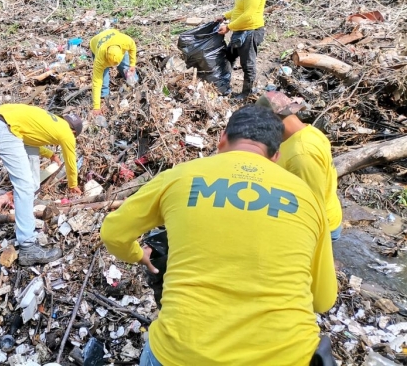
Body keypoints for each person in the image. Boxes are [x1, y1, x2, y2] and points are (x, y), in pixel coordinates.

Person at [101, 105, 337, 365]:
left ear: (222, 138)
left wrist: (138, 254)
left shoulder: (180, 177)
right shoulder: (308, 199)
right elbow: (324, 299)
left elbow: (113, 233)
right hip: (286, 356)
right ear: (276, 156)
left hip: (181, 354)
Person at [0, 104, 83, 265]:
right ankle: (28, 247)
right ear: (74, 132)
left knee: (31, 181)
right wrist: (73, 185)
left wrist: (50, 154)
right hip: (3, 129)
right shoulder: (67, 134)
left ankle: (26, 208)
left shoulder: (53, 121)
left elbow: (30, 139)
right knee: (25, 185)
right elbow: (71, 161)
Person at [256, 91, 343, 240]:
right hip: (327, 216)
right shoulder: (310, 132)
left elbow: (310, 206)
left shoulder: (301, 154)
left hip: (318, 230)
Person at [215, 0, 266, 96]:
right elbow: (239, 10)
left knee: (248, 64)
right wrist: (225, 16)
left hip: (250, 31)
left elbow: (248, 15)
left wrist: (229, 27)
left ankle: (246, 93)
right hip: (240, 31)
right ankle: (223, 85)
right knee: (228, 57)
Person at [89, 28, 138, 114]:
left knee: (126, 67)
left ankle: (136, 86)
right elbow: (97, 81)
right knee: (103, 78)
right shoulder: (100, 59)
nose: (113, 67)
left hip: (114, 36)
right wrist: (96, 106)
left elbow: (132, 47)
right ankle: (104, 97)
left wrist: (132, 64)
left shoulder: (125, 41)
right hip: (95, 43)